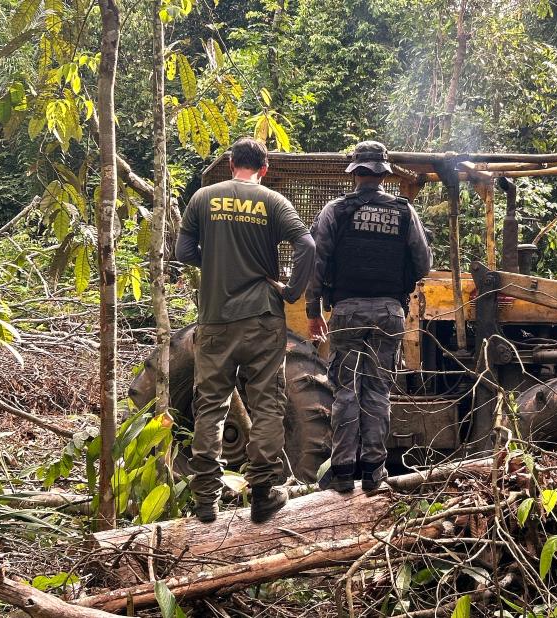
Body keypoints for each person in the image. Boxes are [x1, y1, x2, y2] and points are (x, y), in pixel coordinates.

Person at [176, 138, 315, 523]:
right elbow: (306, 244)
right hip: (262, 319)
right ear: (264, 168)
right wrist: (292, 291)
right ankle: (263, 493)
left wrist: (217, 263)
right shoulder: (273, 202)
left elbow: (183, 252)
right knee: (268, 402)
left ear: (231, 163)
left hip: (215, 319)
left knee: (211, 404)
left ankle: (206, 500)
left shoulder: (204, 198)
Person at [306, 140, 432, 493]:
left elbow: (316, 265)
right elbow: (423, 264)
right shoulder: (405, 213)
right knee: (377, 390)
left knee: (346, 389)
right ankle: (374, 473)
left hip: (346, 312)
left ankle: (344, 471)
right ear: (384, 174)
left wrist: (313, 310)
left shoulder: (335, 211)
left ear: (356, 172)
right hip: (389, 314)